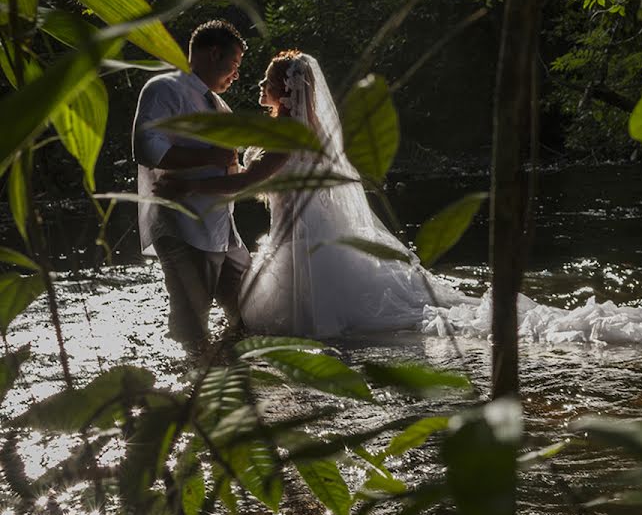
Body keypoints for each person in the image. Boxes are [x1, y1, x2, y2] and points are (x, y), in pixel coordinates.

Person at [155, 50, 467, 338]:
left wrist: (190, 185)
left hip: (299, 243)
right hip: (308, 233)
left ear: (285, 90)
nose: (261, 83)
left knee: (298, 321)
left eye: (268, 79)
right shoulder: (302, 129)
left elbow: (249, 182)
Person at [132, 20, 251, 345]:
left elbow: (228, 163)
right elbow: (147, 147)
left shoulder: (219, 105)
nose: (236, 74)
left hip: (223, 229)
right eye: (235, 64)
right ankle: (185, 387)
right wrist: (211, 158)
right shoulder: (164, 88)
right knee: (192, 325)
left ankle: (239, 378)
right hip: (183, 226)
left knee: (249, 314)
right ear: (214, 53)